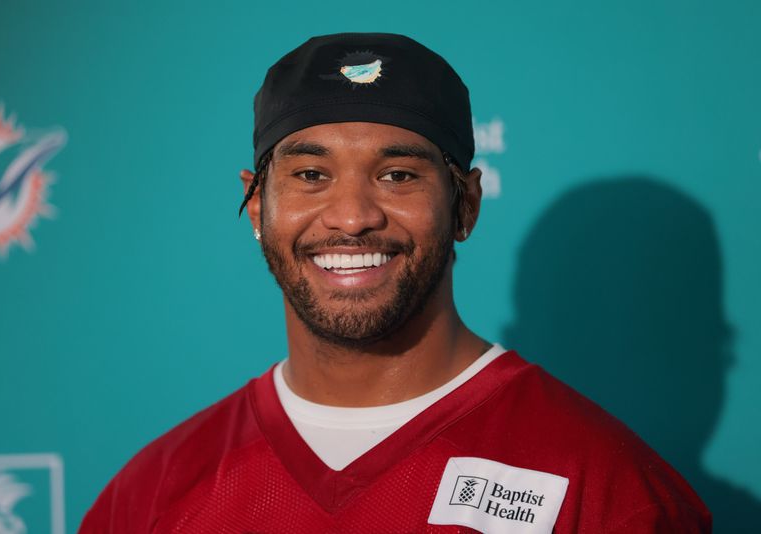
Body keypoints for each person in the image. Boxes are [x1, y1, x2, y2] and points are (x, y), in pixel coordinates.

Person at [80, 33, 710, 533]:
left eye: (398, 176)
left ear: (465, 206)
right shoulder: (154, 493)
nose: (352, 216)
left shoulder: (607, 491)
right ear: (255, 205)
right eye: (309, 175)